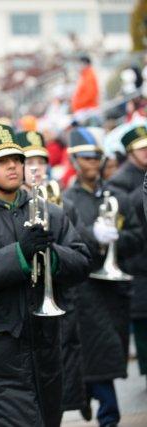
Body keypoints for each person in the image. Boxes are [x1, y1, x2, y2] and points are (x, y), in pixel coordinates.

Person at [0, 124, 91, 427]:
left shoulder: (51, 211)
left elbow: (81, 262)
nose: (13, 166)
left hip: (47, 346)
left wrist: (51, 255)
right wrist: (19, 254)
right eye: (1, 161)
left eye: (17, 159)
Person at [63, 127, 142, 426]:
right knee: (98, 356)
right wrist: (93, 238)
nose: (93, 162)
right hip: (86, 290)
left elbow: (137, 238)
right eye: (86, 157)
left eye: (97, 156)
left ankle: (90, 395)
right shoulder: (67, 200)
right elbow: (70, 242)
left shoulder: (117, 196)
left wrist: (116, 238)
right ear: (74, 160)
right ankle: (107, 414)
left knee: (112, 353)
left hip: (116, 291)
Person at [16, 130, 89, 414]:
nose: (36, 167)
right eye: (29, 160)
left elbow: (84, 251)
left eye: (41, 160)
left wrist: (55, 253)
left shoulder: (62, 203)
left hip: (63, 298)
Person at [106, 125, 147, 391]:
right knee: (143, 325)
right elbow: (125, 212)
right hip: (138, 265)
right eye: (142, 148)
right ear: (130, 153)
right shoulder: (119, 181)